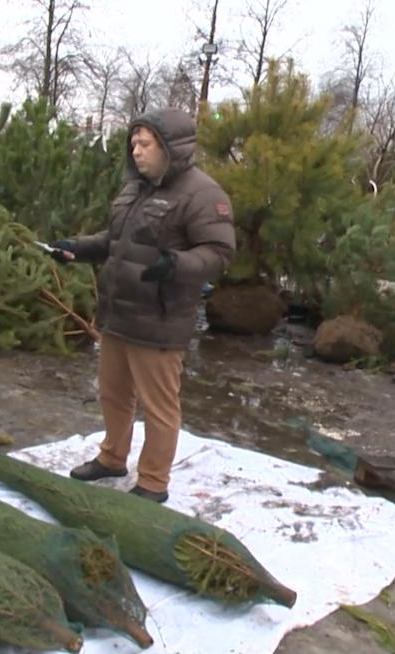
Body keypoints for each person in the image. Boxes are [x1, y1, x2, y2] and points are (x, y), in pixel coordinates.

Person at [49, 108, 235, 503]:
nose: (136, 150)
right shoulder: (134, 189)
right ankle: (112, 458)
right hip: (118, 315)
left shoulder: (203, 194)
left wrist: (176, 265)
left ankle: (153, 482)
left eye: (145, 143)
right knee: (114, 394)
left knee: (158, 407)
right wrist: (77, 248)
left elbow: (218, 252)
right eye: (133, 142)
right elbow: (115, 242)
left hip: (160, 319)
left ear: (171, 148)